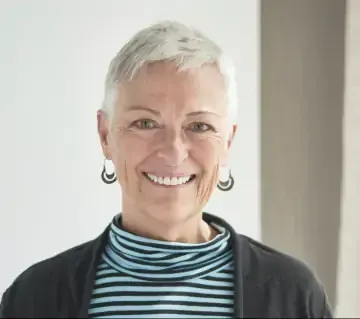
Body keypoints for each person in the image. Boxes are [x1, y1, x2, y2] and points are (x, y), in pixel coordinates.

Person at [0, 20, 332, 318]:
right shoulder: (33, 298)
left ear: (228, 142)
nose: (173, 150)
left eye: (199, 126)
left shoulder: (293, 296)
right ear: (105, 135)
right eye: (145, 123)